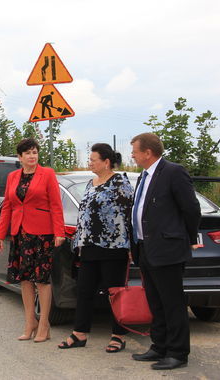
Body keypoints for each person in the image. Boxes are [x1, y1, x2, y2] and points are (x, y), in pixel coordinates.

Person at [130, 133, 201, 370]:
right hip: (146, 248)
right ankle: (159, 346)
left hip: (168, 249)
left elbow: (191, 208)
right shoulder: (144, 175)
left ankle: (178, 352)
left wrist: (187, 238)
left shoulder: (173, 172)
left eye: (135, 151)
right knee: (155, 301)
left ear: (148, 152)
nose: (132, 154)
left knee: (172, 303)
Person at [58, 143, 133, 352]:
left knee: (114, 291)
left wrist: (131, 246)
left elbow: (129, 215)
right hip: (90, 246)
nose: (89, 162)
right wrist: (80, 242)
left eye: (93, 160)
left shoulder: (120, 182)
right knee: (84, 291)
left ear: (106, 162)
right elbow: (85, 215)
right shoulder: (91, 183)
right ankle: (79, 334)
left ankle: (118, 335)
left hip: (114, 246)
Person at [0, 138, 65, 343]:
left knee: (42, 280)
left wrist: (59, 231)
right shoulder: (13, 176)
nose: (32, 156)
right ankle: (29, 323)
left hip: (43, 234)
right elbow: (8, 206)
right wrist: (0, 234)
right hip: (20, 234)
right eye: (28, 153)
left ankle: (44, 324)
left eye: (35, 152)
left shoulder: (48, 174)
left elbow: (56, 205)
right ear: (20, 157)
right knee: (25, 279)